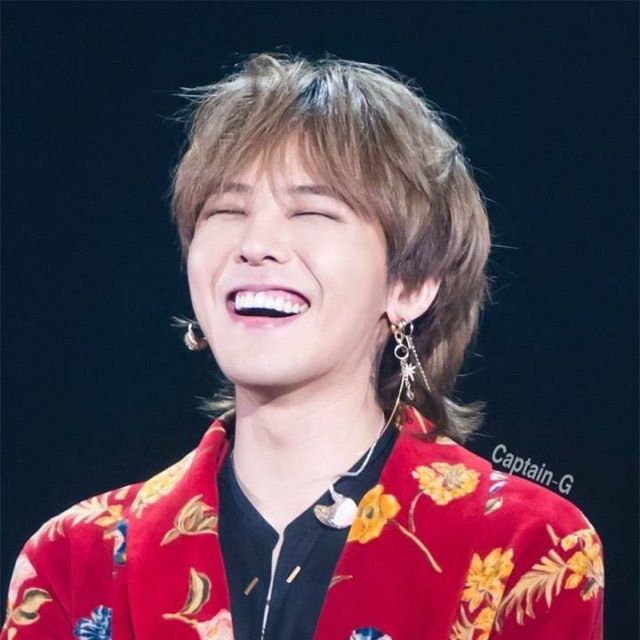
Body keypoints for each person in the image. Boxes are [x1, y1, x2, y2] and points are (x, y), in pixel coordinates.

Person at [1, 53, 603, 640]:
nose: (255, 244)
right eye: (226, 209)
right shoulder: (74, 559)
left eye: (312, 211)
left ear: (411, 284)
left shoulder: (528, 547)